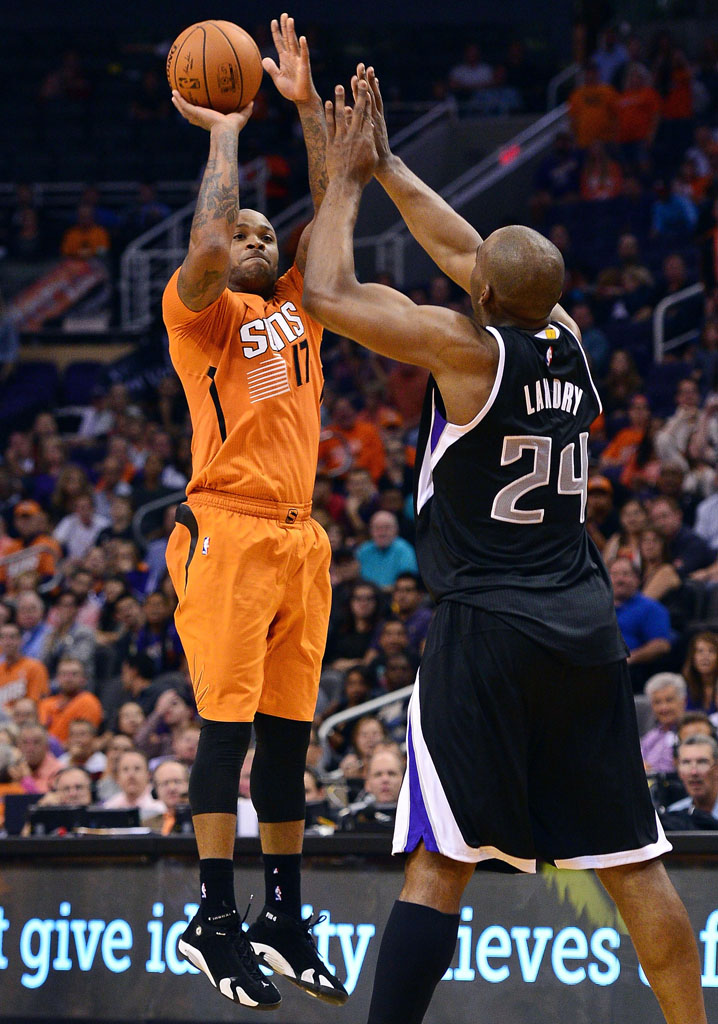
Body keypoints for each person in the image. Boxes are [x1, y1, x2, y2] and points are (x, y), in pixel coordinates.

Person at [301, 68, 708, 1024]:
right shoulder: (567, 336)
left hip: (489, 632)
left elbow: (326, 289)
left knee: (442, 861)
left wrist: (351, 179)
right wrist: (397, 160)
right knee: (635, 867)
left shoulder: (463, 350)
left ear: (478, 293)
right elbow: (473, 251)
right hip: (582, 627)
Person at [160, 15, 347, 1010]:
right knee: (224, 735)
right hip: (224, 532)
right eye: (244, 229)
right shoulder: (197, 316)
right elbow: (205, 237)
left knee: (287, 741)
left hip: (298, 541)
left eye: (262, 231)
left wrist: (305, 109)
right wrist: (226, 133)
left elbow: (331, 202)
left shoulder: (299, 304)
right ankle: (213, 918)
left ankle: (283, 915)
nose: (257, 234)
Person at [640, 673, 687, 774]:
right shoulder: (650, 737)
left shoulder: (693, 730)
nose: (663, 708)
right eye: (657, 702)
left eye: (669, 700)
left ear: (683, 701)